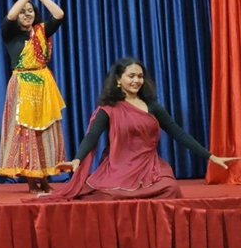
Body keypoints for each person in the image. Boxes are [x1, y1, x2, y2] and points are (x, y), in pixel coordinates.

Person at [46, 58, 239, 200]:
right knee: (107, 197)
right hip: (118, 168)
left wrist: (211, 157)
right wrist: (77, 159)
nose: (137, 80)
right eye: (131, 76)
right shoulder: (108, 109)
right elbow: (92, 136)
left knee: (170, 189)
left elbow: (178, 133)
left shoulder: (152, 106)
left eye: (140, 76)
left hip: (150, 167)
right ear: (118, 80)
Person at [0, 0, 66, 193]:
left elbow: (59, 14)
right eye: (23, 12)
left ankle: (44, 179)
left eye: (30, 11)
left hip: (43, 85)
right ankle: (31, 181)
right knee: (26, 132)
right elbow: (11, 14)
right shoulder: (10, 34)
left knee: (45, 131)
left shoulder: (41, 32)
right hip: (22, 86)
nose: (26, 14)